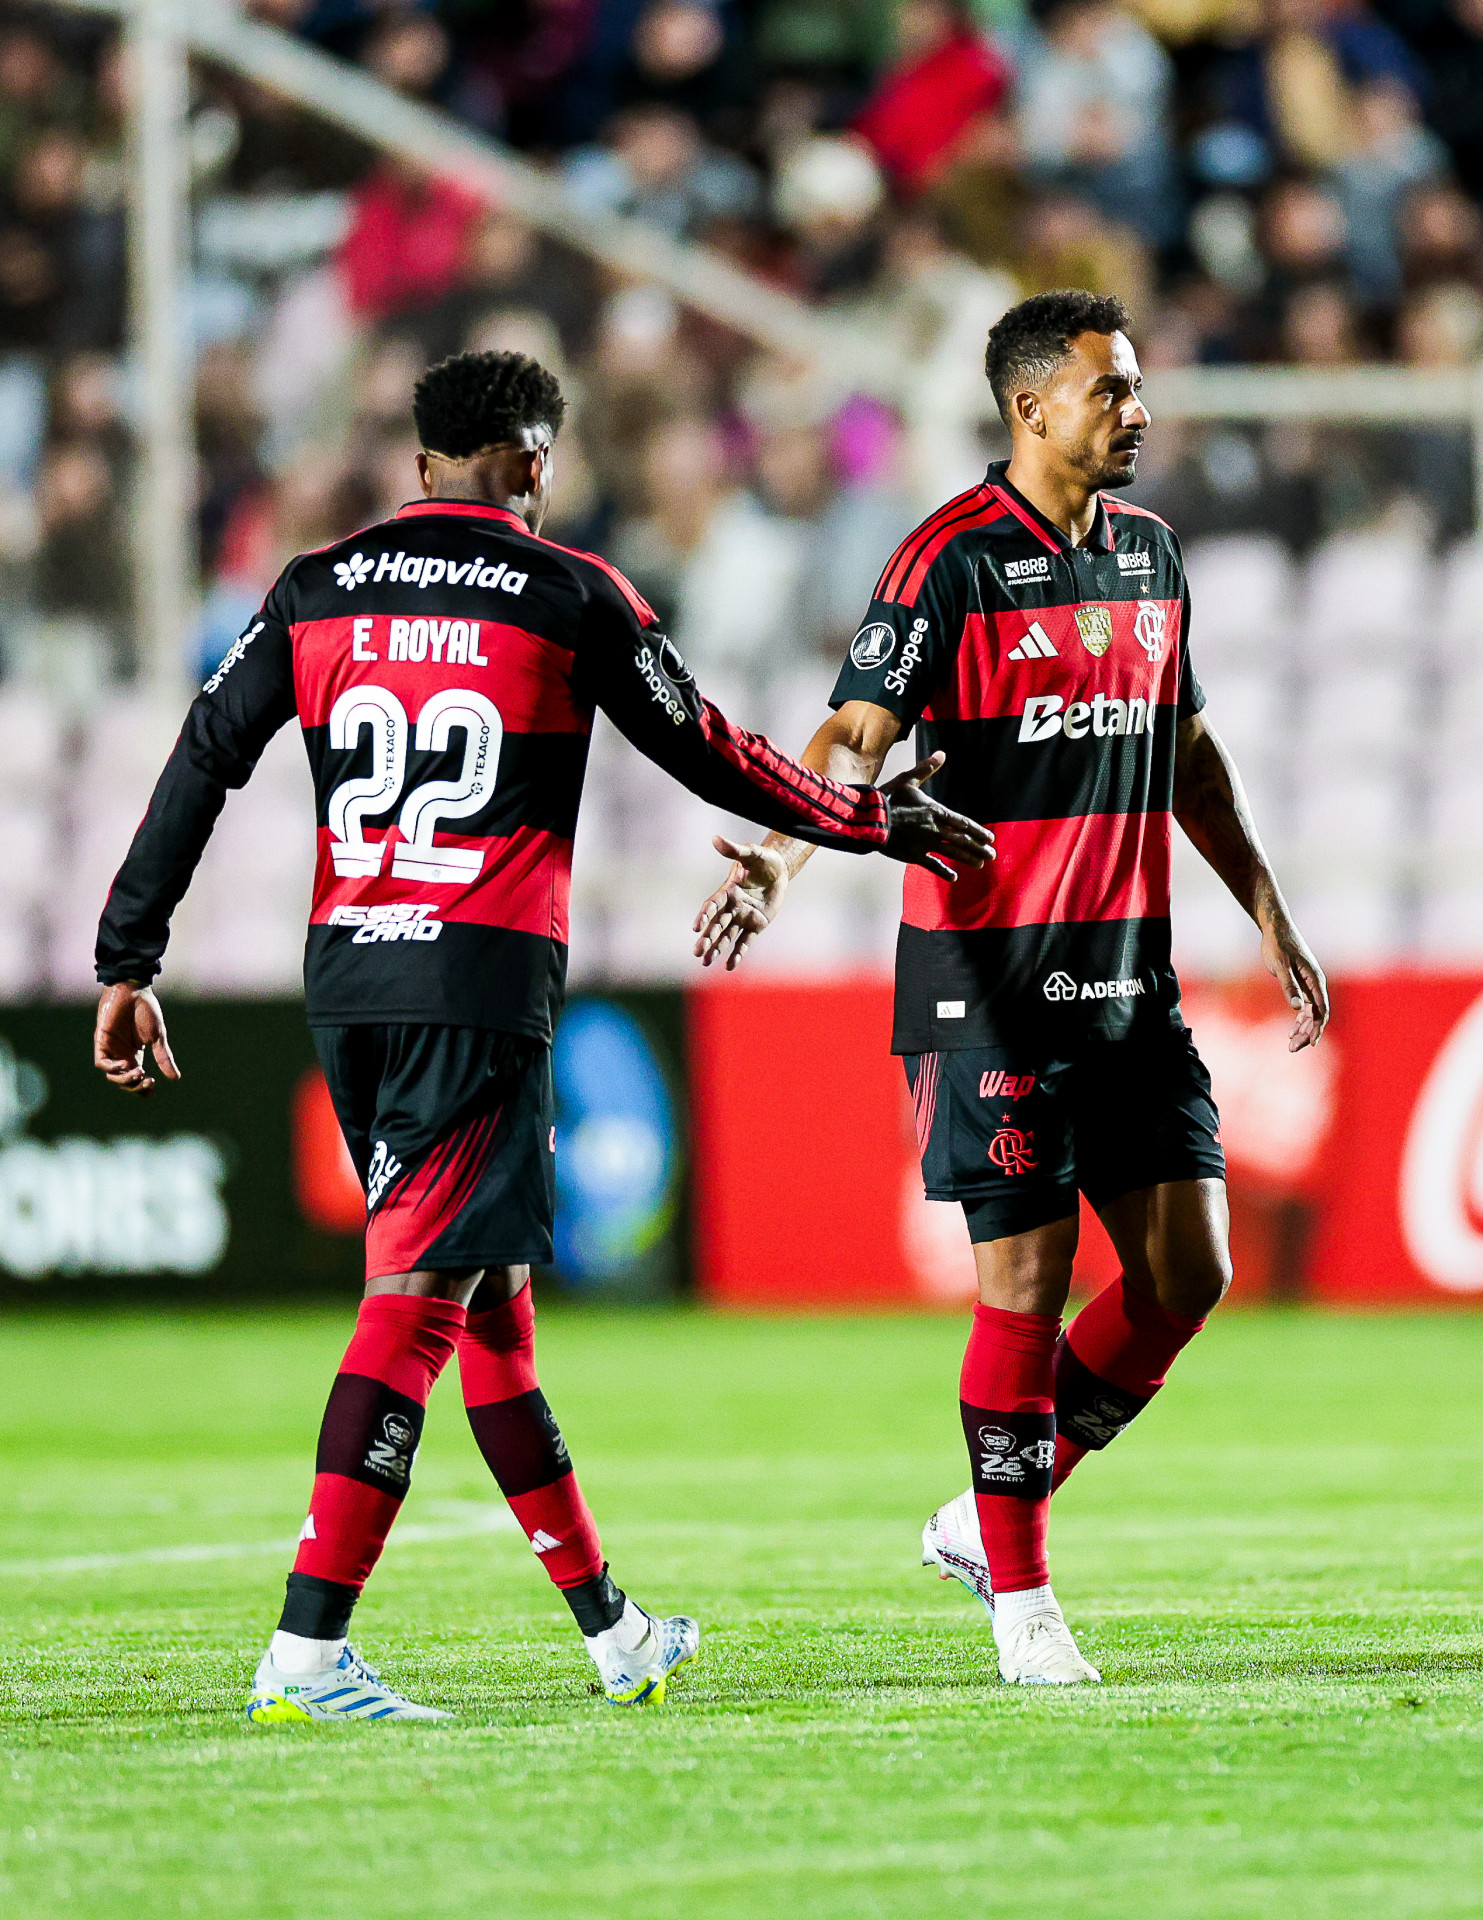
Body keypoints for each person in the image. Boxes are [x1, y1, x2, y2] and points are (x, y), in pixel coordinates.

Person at [92, 349, 991, 1724]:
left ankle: (614, 1632)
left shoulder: (314, 587)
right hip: (477, 979)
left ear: (419, 466)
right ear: (532, 462)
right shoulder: (567, 593)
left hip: (350, 981)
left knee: (491, 1309)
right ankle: (307, 1651)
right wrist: (874, 822)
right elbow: (708, 745)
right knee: (416, 1311)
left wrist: (128, 951)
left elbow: (207, 751)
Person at [693, 290, 1328, 1686]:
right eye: (1113, 391)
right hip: (989, 983)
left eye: (1139, 387)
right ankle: (1025, 1603)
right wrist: (779, 868)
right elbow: (855, 735)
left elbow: (1189, 753)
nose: (1139, 412)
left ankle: (989, 1519)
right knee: (1028, 1283)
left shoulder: (1154, 557)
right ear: (1033, 407)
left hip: (1130, 980)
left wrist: (1269, 907)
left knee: (1187, 1275)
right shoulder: (950, 562)